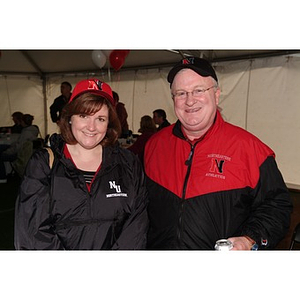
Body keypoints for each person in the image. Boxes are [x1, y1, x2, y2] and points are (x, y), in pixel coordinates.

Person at [144, 57, 292, 250]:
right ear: (173, 99)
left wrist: (249, 239)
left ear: (216, 95)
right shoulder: (154, 145)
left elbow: (277, 206)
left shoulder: (249, 149)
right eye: (181, 93)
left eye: (198, 90)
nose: (189, 101)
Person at [14, 78, 149, 250]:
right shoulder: (44, 163)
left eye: (100, 118)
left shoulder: (128, 163)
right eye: (84, 115)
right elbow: (32, 234)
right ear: (70, 118)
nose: (91, 127)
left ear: (109, 123)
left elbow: (136, 228)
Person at [0, 114, 39, 183]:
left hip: (20, 154)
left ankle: (2, 177)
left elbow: (18, 147)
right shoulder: (32, 130)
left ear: (22, 122)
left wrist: (7, 152)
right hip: (24, 151)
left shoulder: (26, 133)